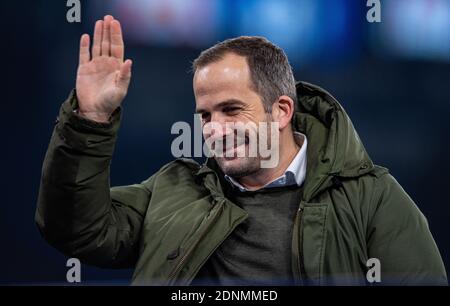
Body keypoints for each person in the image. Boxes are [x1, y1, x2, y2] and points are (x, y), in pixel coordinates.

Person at [36, 15, 447, 286]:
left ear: (282, 110)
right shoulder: (171, 190)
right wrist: (88, 119)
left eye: (232, 110)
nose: (216, 129)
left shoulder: (370, 198)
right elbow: (73, 228)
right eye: (205, 115)